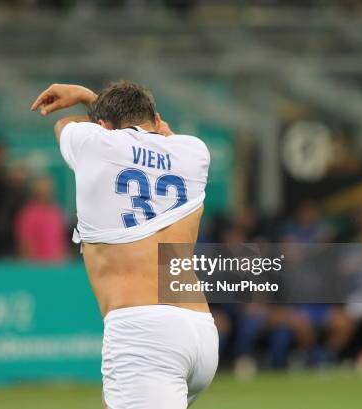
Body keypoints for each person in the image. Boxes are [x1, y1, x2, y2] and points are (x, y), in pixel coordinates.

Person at [31, 81, 218, 408]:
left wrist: (88, 99)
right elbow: (158, 137)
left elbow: (64, 125)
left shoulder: (93, 144)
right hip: (200, 331)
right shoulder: (194, 152)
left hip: (143, 332)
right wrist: (104, 107)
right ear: (157, 120)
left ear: (102, 127)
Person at [15, 175, 68, 262]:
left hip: (57, 266)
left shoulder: (56, 212)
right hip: (36, 267)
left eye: (47, 190)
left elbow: (61, 241)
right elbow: (25, 244)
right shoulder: (27, 214)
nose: (45, 193)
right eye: (41, 190)